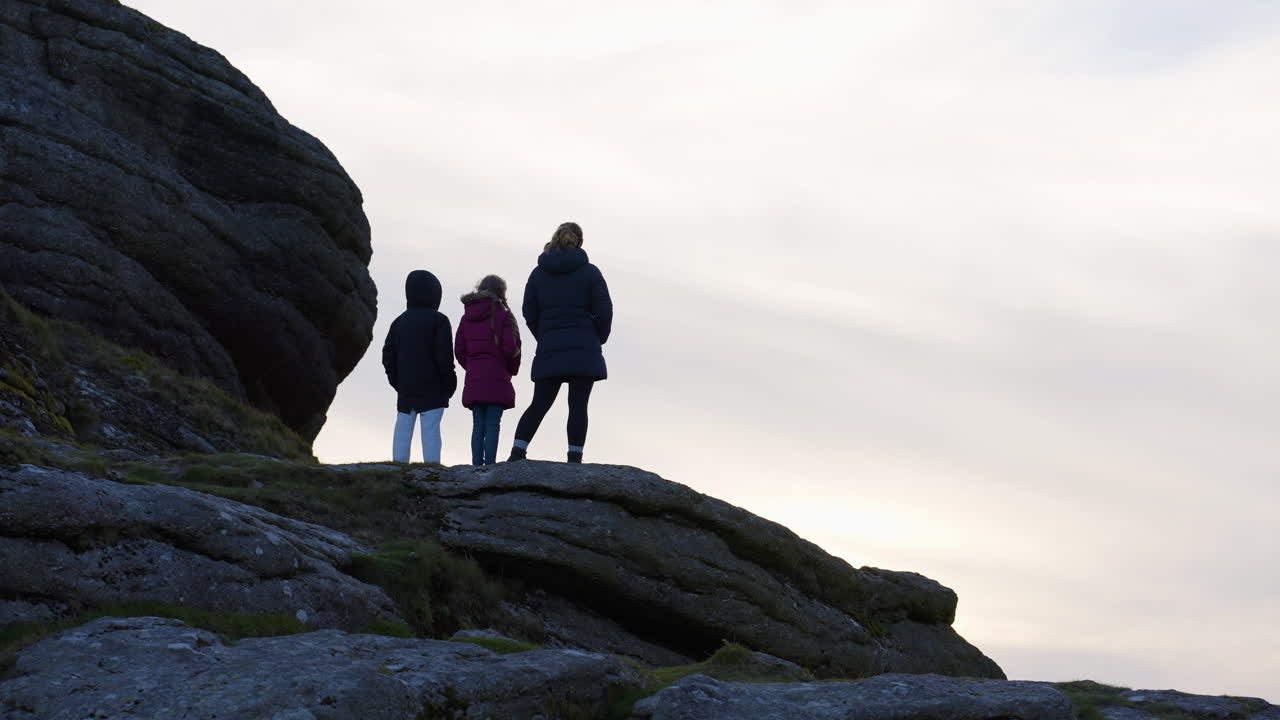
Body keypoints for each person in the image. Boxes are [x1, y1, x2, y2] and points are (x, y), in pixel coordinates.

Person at [508, 221, 612, 463]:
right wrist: (598, 337)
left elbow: (528, 311)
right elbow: (605, 309)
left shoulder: (538, 274)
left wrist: (543, 335)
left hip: (550, 347)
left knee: (539, 403)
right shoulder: (591, 272)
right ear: (580, 242)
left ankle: (517, 452)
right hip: (584, 347)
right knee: (578, 406)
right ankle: (574, 458)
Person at [382, 269, 456, 463]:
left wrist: (397, 381)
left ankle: (398, 465)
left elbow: (388, 356)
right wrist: (449, 384)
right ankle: (432, 467)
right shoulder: (440, 320)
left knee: (403, 425)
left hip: (406, 384)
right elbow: (444, 357)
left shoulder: (398, 322)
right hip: (434, 386)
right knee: (431, 428)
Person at [455, 275, 522, 465]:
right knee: (493, 425)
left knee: (478, 425)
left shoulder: (466, 316)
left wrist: (472, 366)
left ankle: (476, 465)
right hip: (497, 377)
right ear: (501, 292)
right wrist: (509, 368)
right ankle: (490, 466)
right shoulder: (503, 315)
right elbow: (511, 348)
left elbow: (459, 349)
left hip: (475, 377)